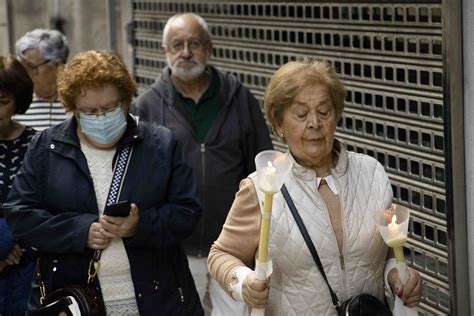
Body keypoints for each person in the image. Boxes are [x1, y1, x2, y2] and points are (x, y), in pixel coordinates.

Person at [208, 60, 423, 314]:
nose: (314, 123)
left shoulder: (371, 173)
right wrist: (244, 281)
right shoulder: (262, 187)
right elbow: (220, 254)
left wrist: (397, 277)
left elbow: (385, 253)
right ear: (279, 124)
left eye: (324, 112)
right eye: (301, 114)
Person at [4, 50, 203, 315]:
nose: (101, 117)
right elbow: (21, 215)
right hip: (78, 301)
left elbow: (188, 212)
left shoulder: (160, 144)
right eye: (89, 111)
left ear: (125, 100)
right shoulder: (46, 148)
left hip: (159, 298)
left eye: (110, 108)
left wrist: (139, 225)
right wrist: (80, 231)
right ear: (73, 109)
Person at [131, 13, 273, 315]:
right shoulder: (146, 106)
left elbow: (263, 167)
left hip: (234, 249)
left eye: (194, 44)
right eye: (176, 44)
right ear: (165, 50)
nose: (185, 52)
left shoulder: (238, 98)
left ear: (208, 48)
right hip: (175, 249)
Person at [0, 54, 37, 316]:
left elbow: (48, 206)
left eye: (2, 102)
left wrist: (15, 248)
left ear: (16, 102)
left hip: (27, 268)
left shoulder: (38, 145)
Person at [14, 28, 69, 130]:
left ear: (57, 66)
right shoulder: (17, 105)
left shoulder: (77, 104)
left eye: (31, 67)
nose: (25, 74)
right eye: (23, 67)